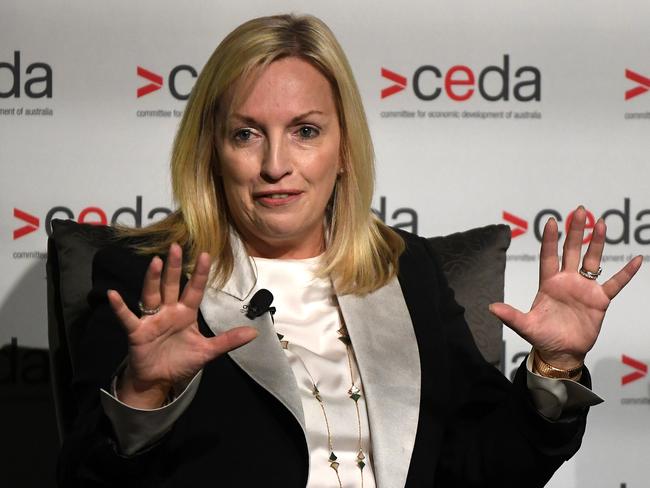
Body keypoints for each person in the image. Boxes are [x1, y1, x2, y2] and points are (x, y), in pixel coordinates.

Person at [58, 13, 642, 488]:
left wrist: (555, 368)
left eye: (305, 131)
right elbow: (85, 475)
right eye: (246, 134)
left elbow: (483, 468)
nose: (275, 165)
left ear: (343, 150)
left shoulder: (406, 270)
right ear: (211, 151)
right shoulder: (150, 277)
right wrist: (145, 397)